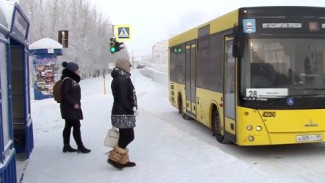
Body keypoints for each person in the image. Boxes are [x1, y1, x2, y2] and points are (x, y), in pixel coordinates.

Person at [107, 58, 137, 169]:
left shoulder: (121, 77)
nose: (130, 67)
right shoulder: (122, 79)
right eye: (129, 65)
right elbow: (123, 98)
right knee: (129, 136)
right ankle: (113, 158)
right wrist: (132, 109)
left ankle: (122, 160)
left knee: (125, 135)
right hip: (123, 113)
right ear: (124, 66)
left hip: (121, 112)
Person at [60, 61, 91, 153]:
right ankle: (80, 146)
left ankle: (66, 146)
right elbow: (65, 94)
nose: (78, 72)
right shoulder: (68, 80)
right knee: (76, 125)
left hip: (69, 108)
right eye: (77, 70)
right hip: (70, 108)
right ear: (72, 71)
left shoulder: (70, 79)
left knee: (68, 125)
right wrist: (74, 103)